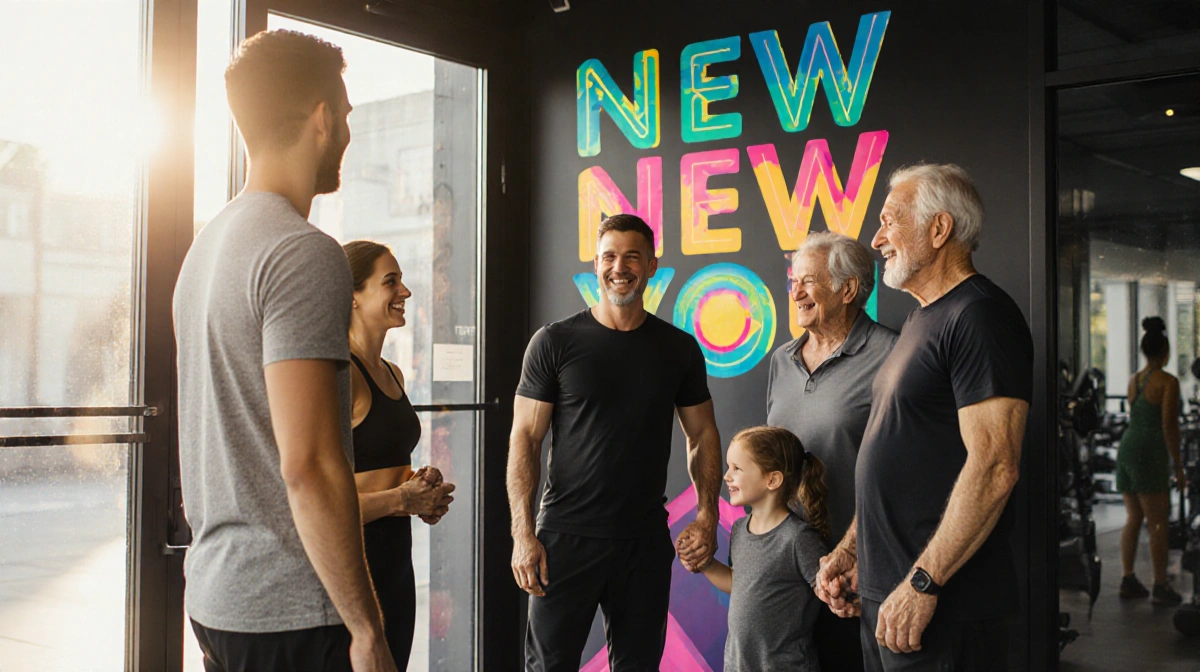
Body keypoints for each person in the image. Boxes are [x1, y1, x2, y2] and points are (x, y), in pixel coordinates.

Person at [173, 30, 397, 672]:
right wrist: (366, 631)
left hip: (219, 599)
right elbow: (309, 463)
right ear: (323, 119)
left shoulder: (207, 249)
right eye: (348, 115)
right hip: (292, 613)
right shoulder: (302, 252)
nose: (349, 132)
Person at [815, 163, 1033, 671]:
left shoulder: (979, 316)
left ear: (939, 229)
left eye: (890, 221)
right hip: (889, 598)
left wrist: (924, 582)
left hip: (940, 603)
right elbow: (899, 457)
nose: (877, 238)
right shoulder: (920, 318)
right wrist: (853, 550)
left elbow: (996, 466)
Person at [507, 213, 724, 671]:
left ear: (650, 265)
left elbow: (702, 434)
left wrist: (707, 515)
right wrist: (522, 533)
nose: (618, 267)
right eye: (609, 256)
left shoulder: (678, 349)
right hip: (565, 538)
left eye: (631, 256)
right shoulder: (554, 342)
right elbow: (525, 439)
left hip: (642, 542)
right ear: (596, 263)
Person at [766, 231, 897, 672]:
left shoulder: (892, 355)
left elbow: (905, 471)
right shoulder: (782, 360)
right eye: (793, 282)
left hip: (856, 574)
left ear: (849, 289)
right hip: (787, 571)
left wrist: (854, 555)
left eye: (808, 281)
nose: (796, 293)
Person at [342, 240, 458, 664]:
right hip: (354, 564)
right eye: (391, 282)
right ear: (352, 296)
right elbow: (314, 502)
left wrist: (417, 489)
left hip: (395, 560)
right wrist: (402, 500)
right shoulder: (341, 375)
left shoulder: (391, 371)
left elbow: (376, 465)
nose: (406, 292)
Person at [697, 426, 829, 672]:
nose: (727, 476)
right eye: (729, 467)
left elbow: (830, 592)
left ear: (772, 479)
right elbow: (739, 583)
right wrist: (705, 564)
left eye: (736, 468)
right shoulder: (738, 530)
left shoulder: (798, 539)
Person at [1116, 316, 1188, 605]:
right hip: (1149, 449)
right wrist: (1179, 468)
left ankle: (1128, 578)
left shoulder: (1134, 380)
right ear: (1166, 351)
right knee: (1158, 522)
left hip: (1128, 446)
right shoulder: (1168, 382)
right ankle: (1160, 585)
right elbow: (1169, 426)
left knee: (1134, 517)